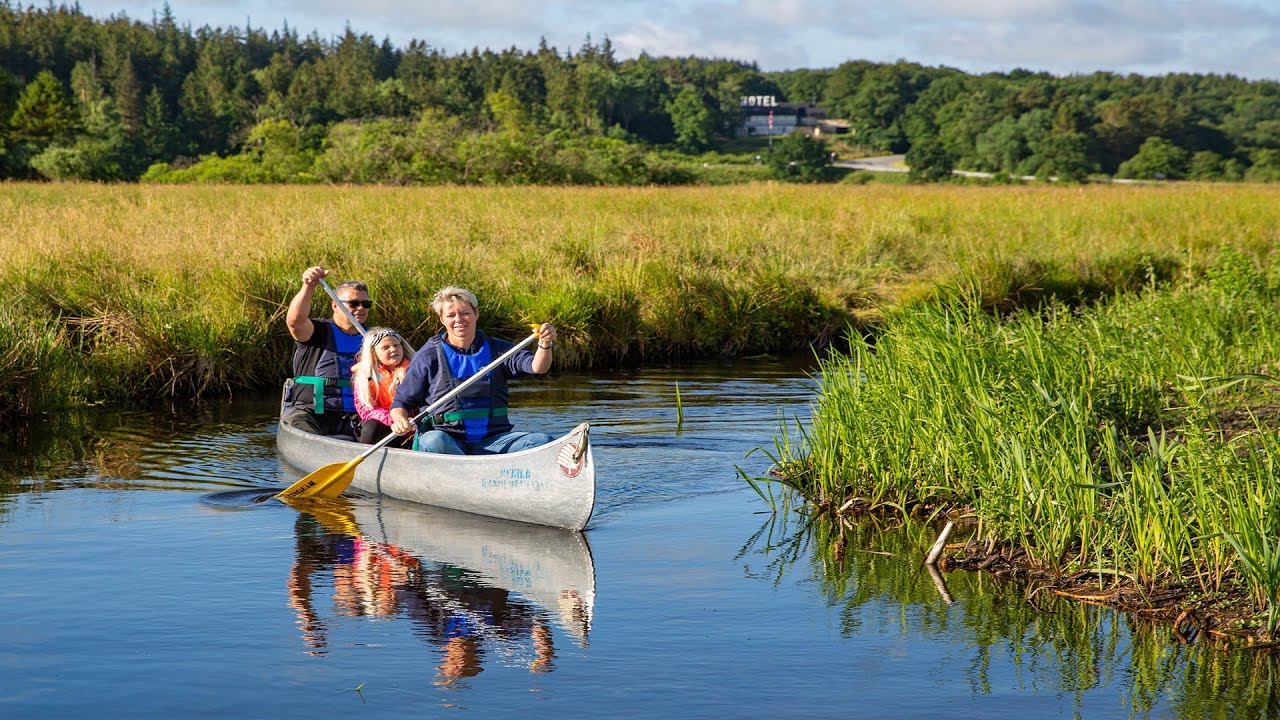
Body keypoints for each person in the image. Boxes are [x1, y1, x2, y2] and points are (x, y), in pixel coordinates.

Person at [389, 286, 556, 454]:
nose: (459, 320)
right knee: (433, 440)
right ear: (442, 319)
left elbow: (537, 367)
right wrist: (400, 419)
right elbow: (401, 403)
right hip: (446, 440)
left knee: (543, 442)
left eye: (465, 313)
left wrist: (545, 344)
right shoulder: (428, 355)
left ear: (476, 314)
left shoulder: (498, 349)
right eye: (451, 315)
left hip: (494, 441)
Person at [282, 265, 371, 438]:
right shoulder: (318, 331)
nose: (361, 308)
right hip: (311, 412)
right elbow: (295, 322)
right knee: (299, 423)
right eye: (353, 304)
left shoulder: (373, 340)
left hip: (358, 416)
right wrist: (309, 286)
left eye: (365, 304)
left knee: (385, 430)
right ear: (335, 306)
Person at [351, 327, 416, 447]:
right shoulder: (365, 377)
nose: (393, 350)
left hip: (413, 424)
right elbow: (365, 410)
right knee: (371, 427)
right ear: (373, 353)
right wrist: (393, 420)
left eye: (396, 345)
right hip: (386, 425)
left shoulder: (416, 369)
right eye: (385, 348)